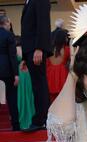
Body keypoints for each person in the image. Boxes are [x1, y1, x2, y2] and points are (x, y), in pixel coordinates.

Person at [21, 0, 52, 131]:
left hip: (35, 48)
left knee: (39, 84)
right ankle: (41, 119)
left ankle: (42, 120)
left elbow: (43, 24)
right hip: (30, 49)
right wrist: (24, 57)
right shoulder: (29, 1)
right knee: (36, 85)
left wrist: (39, 48)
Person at [0, 14, 19, 130]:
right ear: (5, 23)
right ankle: (16, 125)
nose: (9, 25)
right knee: (12, 98)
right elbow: (12, 56)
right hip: (7, 70)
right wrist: (16, 74)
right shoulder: (9, 35)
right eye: (9, 23)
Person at [15, 35, 35, 129]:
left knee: (21, 97)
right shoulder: (25, 49)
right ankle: (31, 119)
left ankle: (22, 121)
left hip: (20, 74)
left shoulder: (15, 49)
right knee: (29, 96)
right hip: (28, 74)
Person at [46, 29, 70, 103]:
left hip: (50, 76)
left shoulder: (48, 49)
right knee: (64, 101)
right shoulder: (66, 49)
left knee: (52, 101)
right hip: (63, 77)